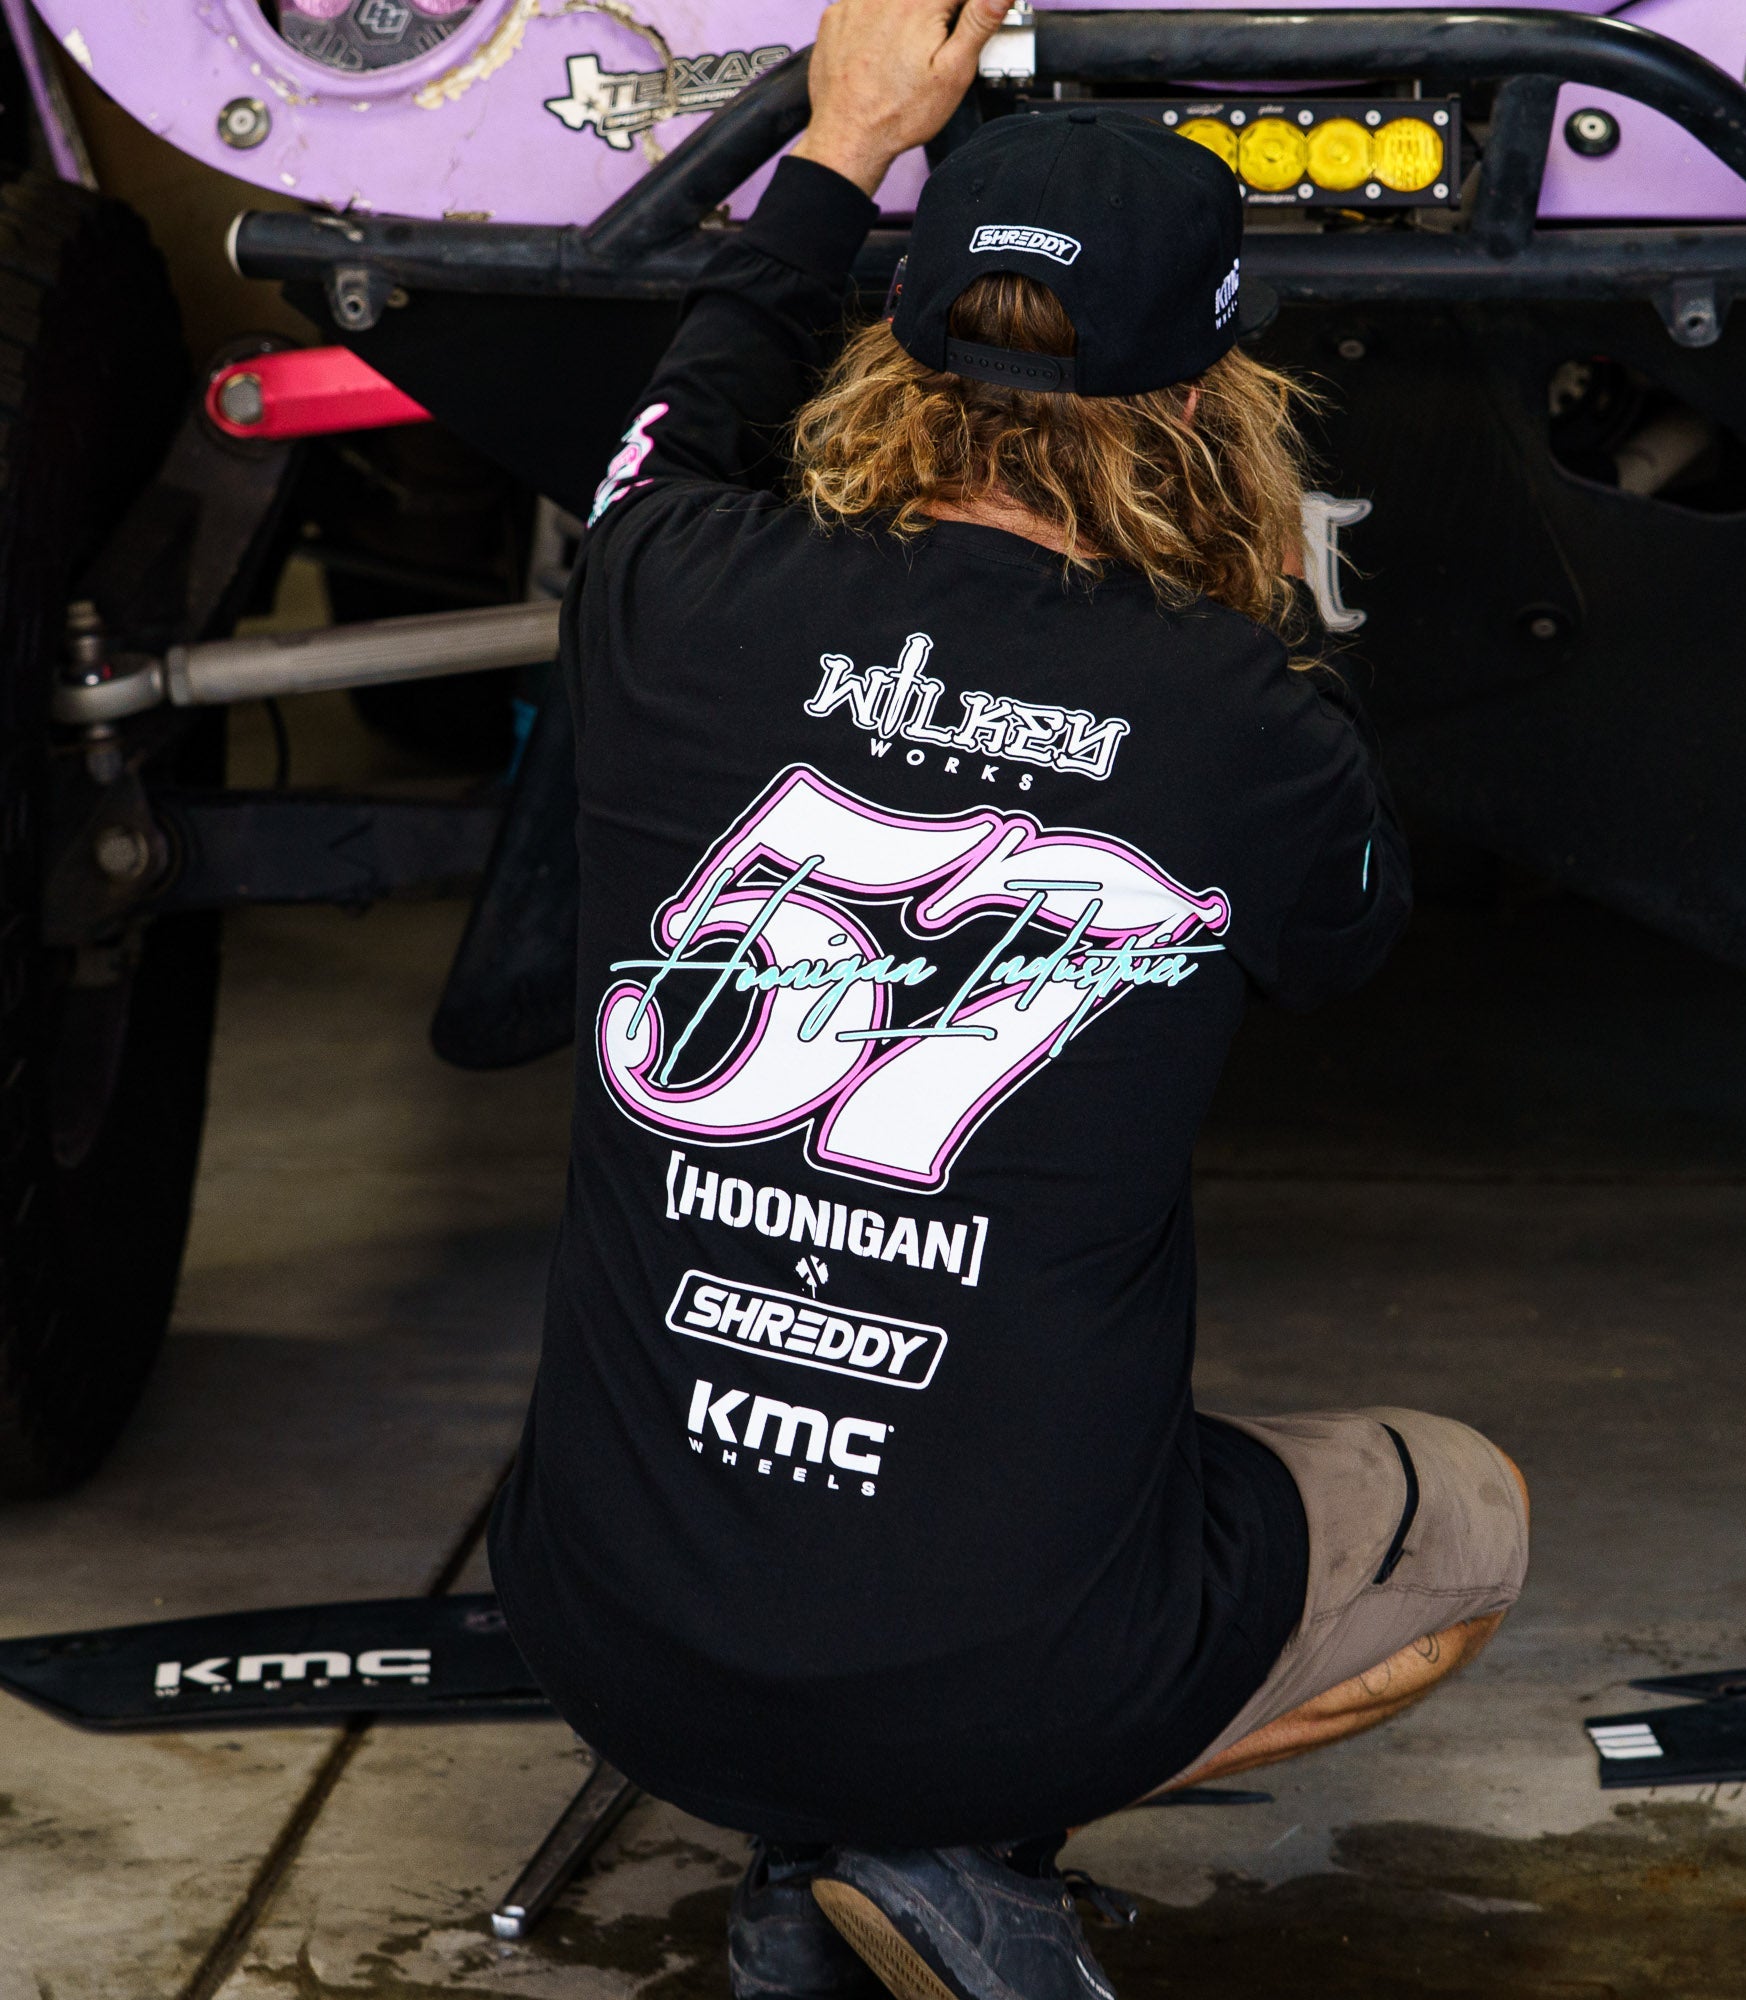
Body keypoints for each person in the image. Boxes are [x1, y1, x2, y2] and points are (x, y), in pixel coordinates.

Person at [486, 3, 1530, 1995]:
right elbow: (1344, 947)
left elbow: (681, 408)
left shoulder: (660, 591)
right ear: (1217, 399)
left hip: (606, 1645)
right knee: (1463, 1515)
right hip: (1008, 1675)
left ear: (902, 343)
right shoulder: (1254, 734)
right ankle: (944, 1843)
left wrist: (842, 146)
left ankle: (836, 1846)